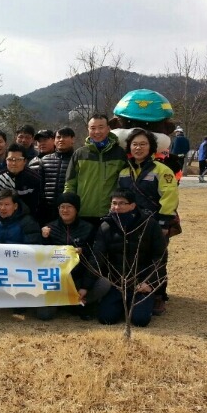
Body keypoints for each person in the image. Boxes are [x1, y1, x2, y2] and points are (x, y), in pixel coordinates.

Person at [86, 189, 167, 328]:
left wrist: (149, 282)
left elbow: (160, 257)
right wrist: (86, 286)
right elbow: (97, 258)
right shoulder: (106, 226)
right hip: (117, 283)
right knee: (106, 318)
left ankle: (148, 301)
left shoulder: (149, 224)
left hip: (141, 284)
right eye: (114, 203)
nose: (117, 207)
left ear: (133, 205)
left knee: (140, 320)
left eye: (122, 203)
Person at [118, 128, 179, 314]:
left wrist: (163, 223)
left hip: (155, 224)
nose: (138, 148)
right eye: (135, 144)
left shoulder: (162, 170)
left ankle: (159, 295)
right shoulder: (123, 171)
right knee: (133, 258)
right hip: (130, 224)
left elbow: (169, 197)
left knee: (157, 260)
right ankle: (133, 293)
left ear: (151, 147)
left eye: (143, 144)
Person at [40, 192, 108, 320]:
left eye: (69, 207)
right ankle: (68, 304)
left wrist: (85, 286)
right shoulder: (49, 228)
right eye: (62, 207)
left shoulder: (88, 228)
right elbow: (42, 256)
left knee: (104, 284)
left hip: (78, 279)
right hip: (56, 281)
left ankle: (78, 301)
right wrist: (44, 238)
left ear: (76, 209)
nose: (65, 210)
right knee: (45, 315)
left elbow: (94, 257)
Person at [64, 113, 128, 225]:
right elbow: (70, 184)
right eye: (93, 128)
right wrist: (68, 207)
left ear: (108, 129)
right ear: (88, 130)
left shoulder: (120, 154)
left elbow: (126, 184)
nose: (97, 132)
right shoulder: (80, 154)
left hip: (111, 214)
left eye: (101, 127)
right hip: (83, 213)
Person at [37, 127, 76, 224]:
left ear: (72, 139)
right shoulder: (45, 160)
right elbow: (40, 186)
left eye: (65, 137)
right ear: (54, 140)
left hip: (69, 210)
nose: (61, 140)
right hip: (47, 210)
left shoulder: (77, 159)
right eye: (58, 137)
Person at [0, 143, 40, 218]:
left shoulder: (34, 178)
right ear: (5, 160)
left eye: (18, 160)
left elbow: (36, 205)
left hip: (27, 219)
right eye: (10, 159)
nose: (14, 163)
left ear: (25, 161)